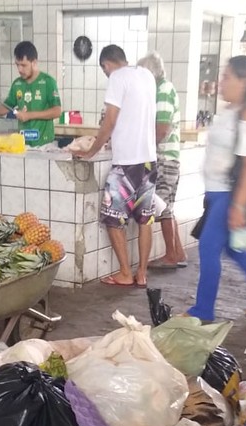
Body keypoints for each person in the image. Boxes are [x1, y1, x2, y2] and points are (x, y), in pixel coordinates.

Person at [186, 56, 246, 321]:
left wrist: (239, 206)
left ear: (244, 80)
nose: (221, 82)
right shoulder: (229, 112)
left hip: (228, 195)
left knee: (207, 247)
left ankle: (203, 310)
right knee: (232, 248)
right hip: (215, 193)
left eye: (227, 77)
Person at [74, 45, 157, 288]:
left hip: (126, 163)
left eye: (104, 70)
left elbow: (109, 120)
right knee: (145, 220)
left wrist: (91, 151)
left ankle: (124, 272)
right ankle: (141, 273)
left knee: (112, 219)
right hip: (149, 160)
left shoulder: (117, 78)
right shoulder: (147, 75)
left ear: (106, 65)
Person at [138, 52, 187, 270]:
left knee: (164, 207)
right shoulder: (158, 90)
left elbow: (161, 128)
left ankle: (171, 255)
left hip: (165, 157)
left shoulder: (163, 90)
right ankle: (178, 252)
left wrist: (144, 146)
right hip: (169, 156)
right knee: (168, 206)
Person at [0, 41, 61, 147]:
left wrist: (29, 115)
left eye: (23, 65)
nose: (19, 69)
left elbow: (57, 111)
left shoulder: (48, 82)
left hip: (45, 145)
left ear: (34, 62)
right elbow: (6, 107)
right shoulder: (17, 84)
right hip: (23, 144)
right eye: (17, 65)